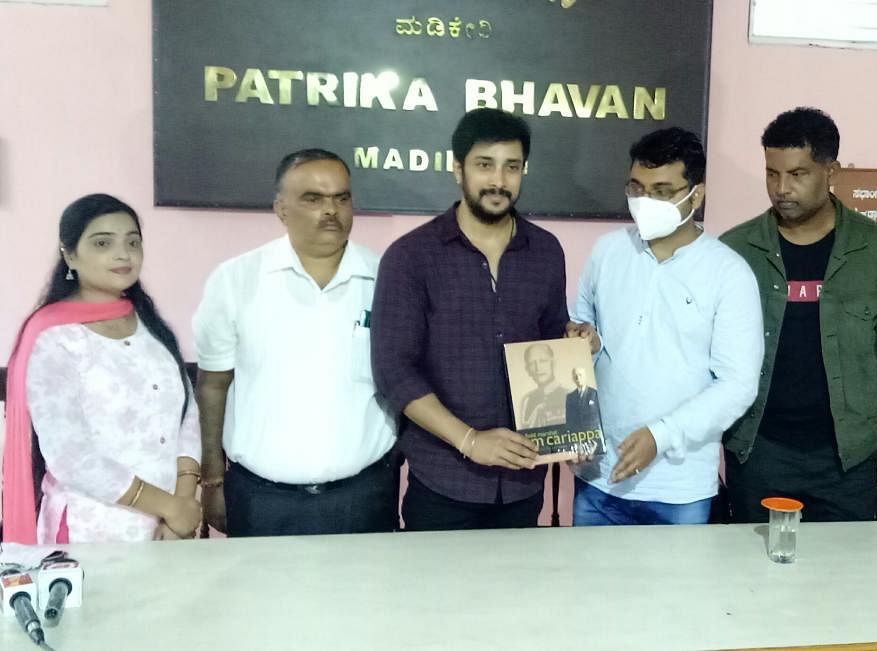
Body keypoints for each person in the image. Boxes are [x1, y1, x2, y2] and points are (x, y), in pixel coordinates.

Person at [372, 108, 569, 531]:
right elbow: (394, 371)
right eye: (484, 165)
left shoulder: (547, 251)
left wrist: (573, 423)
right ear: (457, 168)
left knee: (518, 597)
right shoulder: (411, 257)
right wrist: (470, 441)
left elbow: (553, 343)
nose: (499, 180)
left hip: (523, 480)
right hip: (443, 482)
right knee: (437, 599)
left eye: (511, 167)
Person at [721, 107, 877, 523]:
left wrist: (855, 402)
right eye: (772, 173)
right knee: (753, 578)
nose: (782, 188)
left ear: (833, 171)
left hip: (845, 459)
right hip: (758, 451)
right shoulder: (735, 251)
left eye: (798, 174)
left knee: (841, 579)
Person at [193, 149, 398, 537]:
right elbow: (213, 385)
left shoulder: (386, 278)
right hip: (263, 502)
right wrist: (213, 482)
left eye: (342, 197)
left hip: (365, 498)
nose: (331, 210)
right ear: (281, 209)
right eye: (313, 198)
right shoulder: (236, 280)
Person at [567, 127, 763, 526]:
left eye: (662, 190)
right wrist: (585, 339)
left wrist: (661, 435)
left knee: (676, 591)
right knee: (589, 588)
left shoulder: (729, 273)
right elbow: (578, 337)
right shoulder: (608, 252)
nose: (645, 202)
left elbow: (738, 385)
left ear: (697, 194)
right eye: (636, 188)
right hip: (598, 479)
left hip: (679, 489)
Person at [2, 194, 202, 543]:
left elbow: (186, 412)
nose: (123, 254)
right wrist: (169, 506)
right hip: (91, 530)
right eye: (102, 243)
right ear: (70, 253)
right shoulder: (53, 338)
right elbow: (70, 456)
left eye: (132, 242)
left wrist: (182, 505)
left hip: (168, 532)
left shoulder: (149, 324)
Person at [518, 342, 568, 429]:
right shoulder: (527, 400)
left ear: (553, 364)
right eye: (532, 363)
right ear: (528, 370)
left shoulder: (570, 395)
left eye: (543, 361)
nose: (538, 368)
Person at [564, 367, 600, 434]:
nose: (578, 378)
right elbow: (568, 419)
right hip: (576, 434)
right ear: (573, 379)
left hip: (592, 433)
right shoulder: (570, 397)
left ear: (585, 377)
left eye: (580, 375)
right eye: (575, 376)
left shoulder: (594, 393)